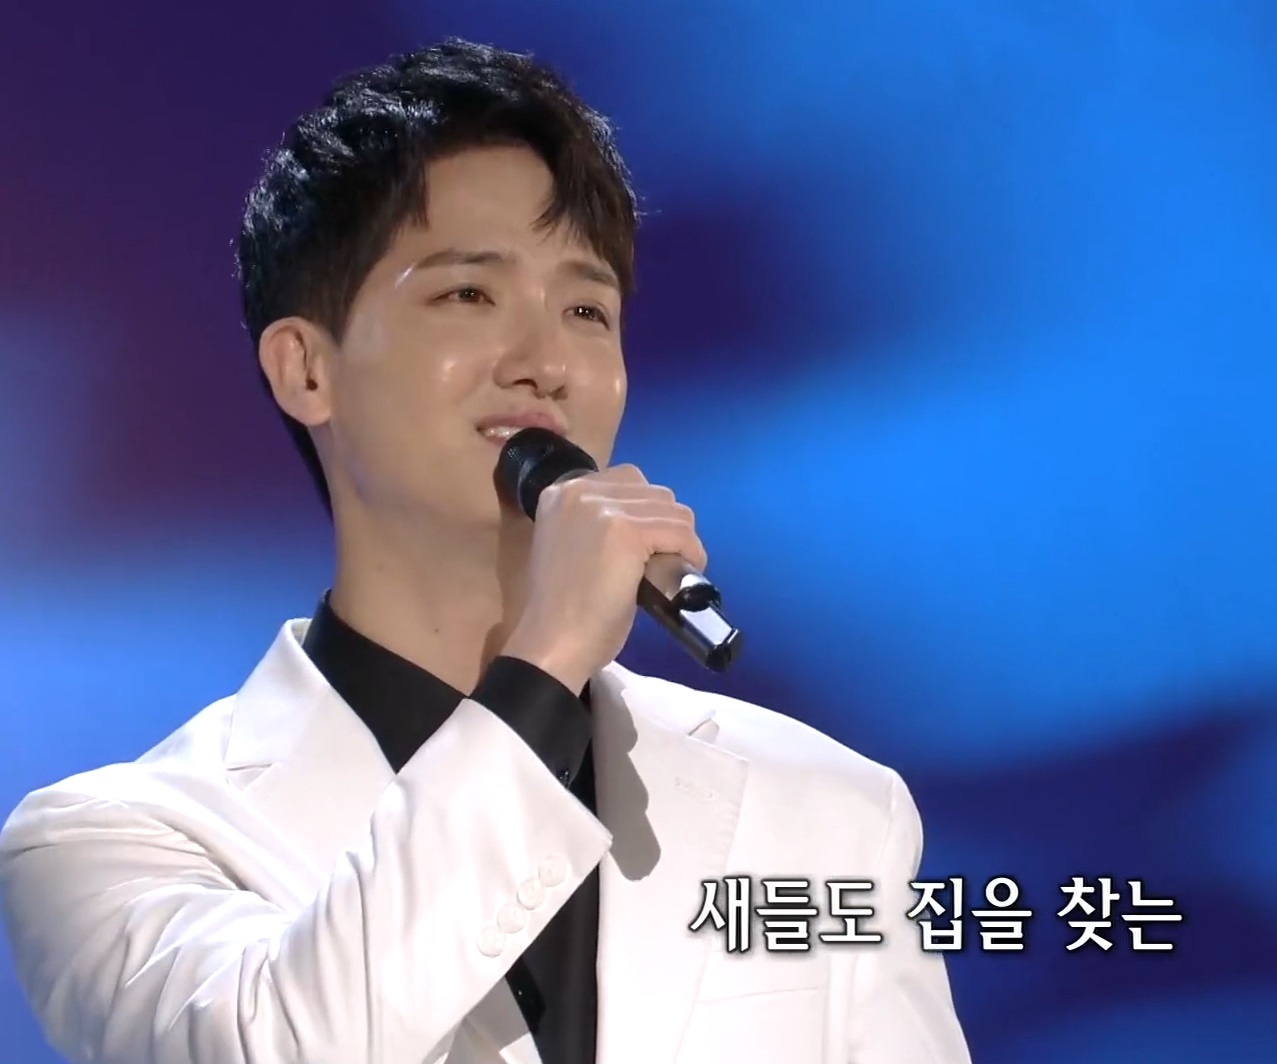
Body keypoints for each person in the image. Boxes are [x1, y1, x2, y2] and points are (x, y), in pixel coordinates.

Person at [0, 39, 970, 1064]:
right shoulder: (116, 837)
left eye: (586, 310)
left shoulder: (829, 811)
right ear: (306, 370)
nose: (546, 362)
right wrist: (544, 662)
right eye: (468, 294)